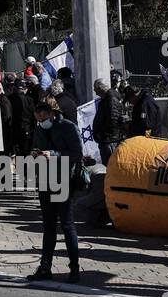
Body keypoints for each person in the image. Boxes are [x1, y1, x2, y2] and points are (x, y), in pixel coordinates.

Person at [28, 96, 83, 283]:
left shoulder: (68, 127)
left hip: (64, 180)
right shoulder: (39, 128)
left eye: (43, 118)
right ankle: (45, 266)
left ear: (52, 113)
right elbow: (36, 146)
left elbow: (77, 154)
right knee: (48, 226)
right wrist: (35, 154)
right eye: (38, 119)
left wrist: (53, 155)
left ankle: (74, 268)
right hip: (45, 179)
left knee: (67, 225)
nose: (40, 122)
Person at [92, 79, 122, 165]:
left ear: (101, 88)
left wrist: (103, 134)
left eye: (95, 88)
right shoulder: (106, 99)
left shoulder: (111, 99)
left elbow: (113, 119)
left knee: (111, 164)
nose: (94, 90)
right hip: (106, 140)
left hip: (109, 140)